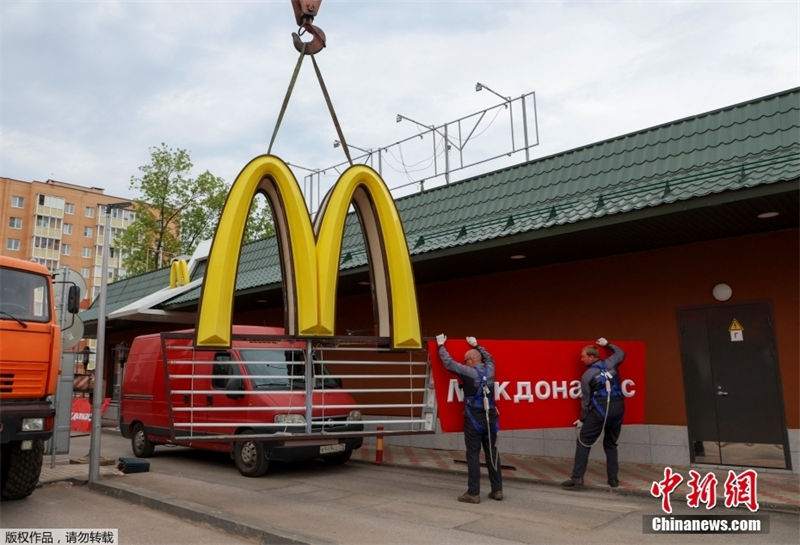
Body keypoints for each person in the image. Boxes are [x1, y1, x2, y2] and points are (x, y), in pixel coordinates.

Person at [436, 333, 503, 503]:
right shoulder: (491, 369)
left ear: (471, 361)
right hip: (491, 418)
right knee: (492, 453)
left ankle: (473, 493)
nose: (464, 363)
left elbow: (449, 364)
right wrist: (477, 345)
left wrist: (441, 346)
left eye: (466, 360)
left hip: (474, 419)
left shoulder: (468, 372)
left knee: (473, 455)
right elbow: (489, 357)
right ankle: (497, 490)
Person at [562, 337, 626, 488]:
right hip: (618, 411)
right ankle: (613, 480)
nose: (581, 359)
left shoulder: (587, 376)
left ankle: (577, 478)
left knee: (583, 441)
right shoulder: (611, 362)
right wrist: (608, 344)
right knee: (611, 444)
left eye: (583, 356)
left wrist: (582, 420)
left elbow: (586, 401)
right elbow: (621, 353)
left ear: (591, 357)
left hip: (600, 412)